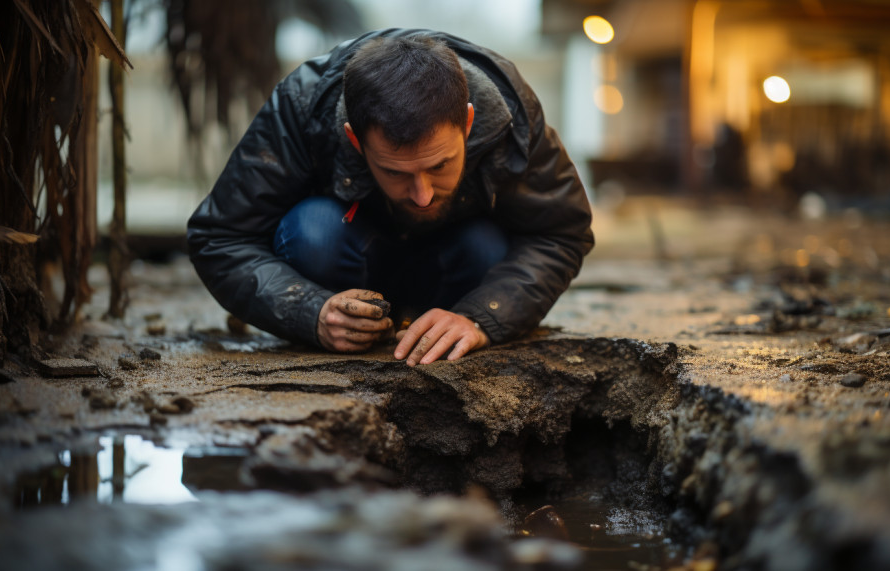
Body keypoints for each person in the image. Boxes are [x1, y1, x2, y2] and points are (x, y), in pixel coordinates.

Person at [187, 29, 593, 366]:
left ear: (468, 122)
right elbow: (219, 237)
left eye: (439, 165)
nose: (421, 195)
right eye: (395, 171)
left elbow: (562, 232)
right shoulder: (302, 103)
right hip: (345, 264)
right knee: (313, 232)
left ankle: (441, 329)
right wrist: (310, 311)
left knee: (487, 247)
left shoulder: (511, 110)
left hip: (457, 272)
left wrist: (484, 315)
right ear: (354, 139)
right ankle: (347, 329)